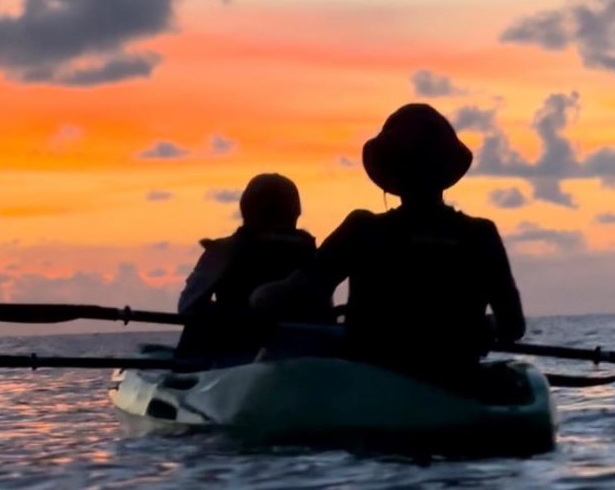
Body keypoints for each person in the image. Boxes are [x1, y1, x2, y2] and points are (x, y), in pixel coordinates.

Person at [250, 104, 525, 381]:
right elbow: (513, 327)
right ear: (446, 171)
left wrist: (256, 299)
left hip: (372, 384)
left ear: (390, 173)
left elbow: (295, 293)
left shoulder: (362, 229)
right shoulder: (481, 235)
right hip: (458, 380)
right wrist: (477, 329)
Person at [175, 173, 328, 362]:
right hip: (307, 356)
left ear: (246, 210)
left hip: (235, 357)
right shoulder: (316, 255)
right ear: (296, 212)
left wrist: (224, 312)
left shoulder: (224, 251)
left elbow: (187, 307)